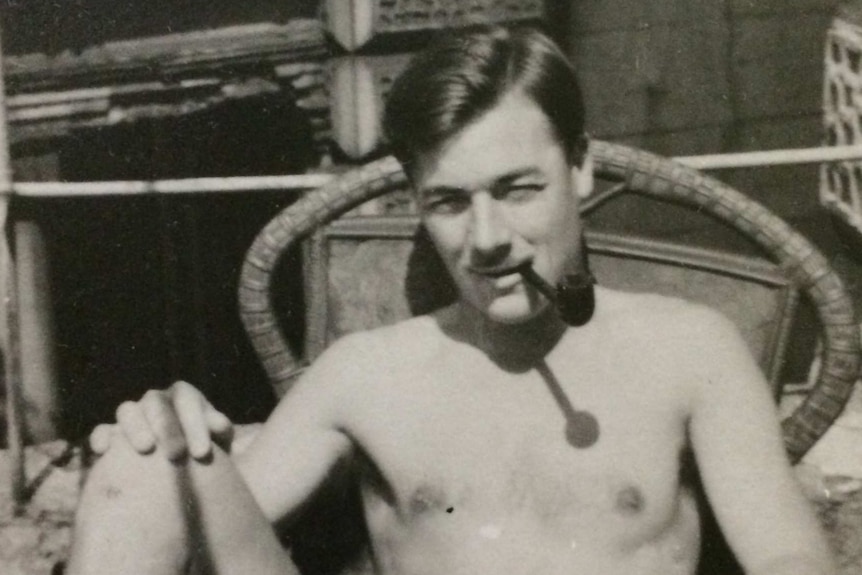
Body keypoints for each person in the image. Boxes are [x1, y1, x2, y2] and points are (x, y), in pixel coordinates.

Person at [66, 26, 835, 575]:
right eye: (450, 202)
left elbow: (789, 554)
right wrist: (172, 421)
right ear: (417, 204)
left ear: (581, 168)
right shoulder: (365, 373)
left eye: (518, 189)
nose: (488, 237)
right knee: (144, 456)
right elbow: (203, 525)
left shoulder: (690, 349)